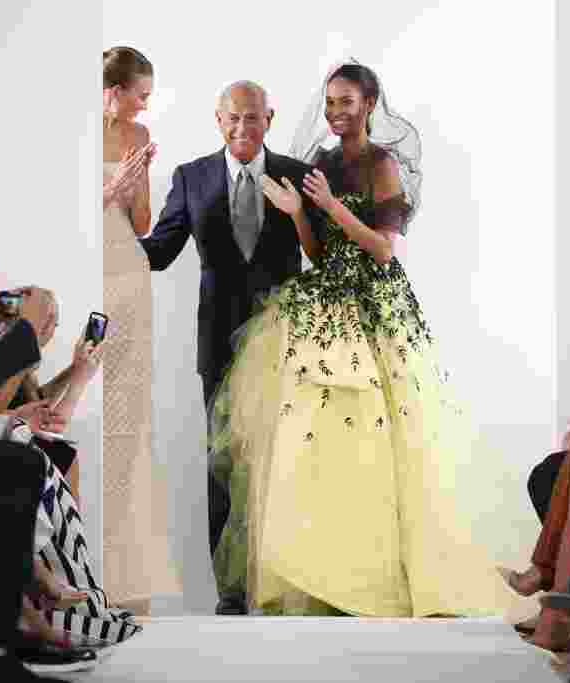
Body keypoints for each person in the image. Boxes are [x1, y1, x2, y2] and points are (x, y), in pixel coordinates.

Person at [206, 61, 506, 617]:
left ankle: (378, 574)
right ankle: (320, 571)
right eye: (329, 102)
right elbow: (318, 252)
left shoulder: (381, 162)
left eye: (346, 102)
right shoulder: (319, 162)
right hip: (324, 298)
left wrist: (331, 206)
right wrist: (300, 214)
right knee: (313, 438)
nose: (335, 112)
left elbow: (385, 249)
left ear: (369, 104)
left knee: (380, 435)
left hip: (372, 303)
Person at [140, 78, 323, 615]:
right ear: (217, 121)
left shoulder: (297, 174)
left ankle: (284, 582)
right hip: (219, 340)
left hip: (285, 338)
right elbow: (158, 253)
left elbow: (323, 254)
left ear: (270, 117)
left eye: (253, 116)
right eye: (232, 118)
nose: (243, 127)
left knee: (285, 460)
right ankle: (231, 592)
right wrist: (109, 214)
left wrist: (297, 214)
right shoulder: (191, 177)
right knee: (222, 462)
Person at [101, 46, 179, 612]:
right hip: (85, 265)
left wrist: (134, 189)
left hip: (128, 270)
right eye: (141, 94)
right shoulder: (69, 131)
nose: (145, 104)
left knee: (128, 411)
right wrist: (105, 191)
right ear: (115, 89)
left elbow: (146, 224)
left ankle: (126, 576)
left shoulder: (139, 135)